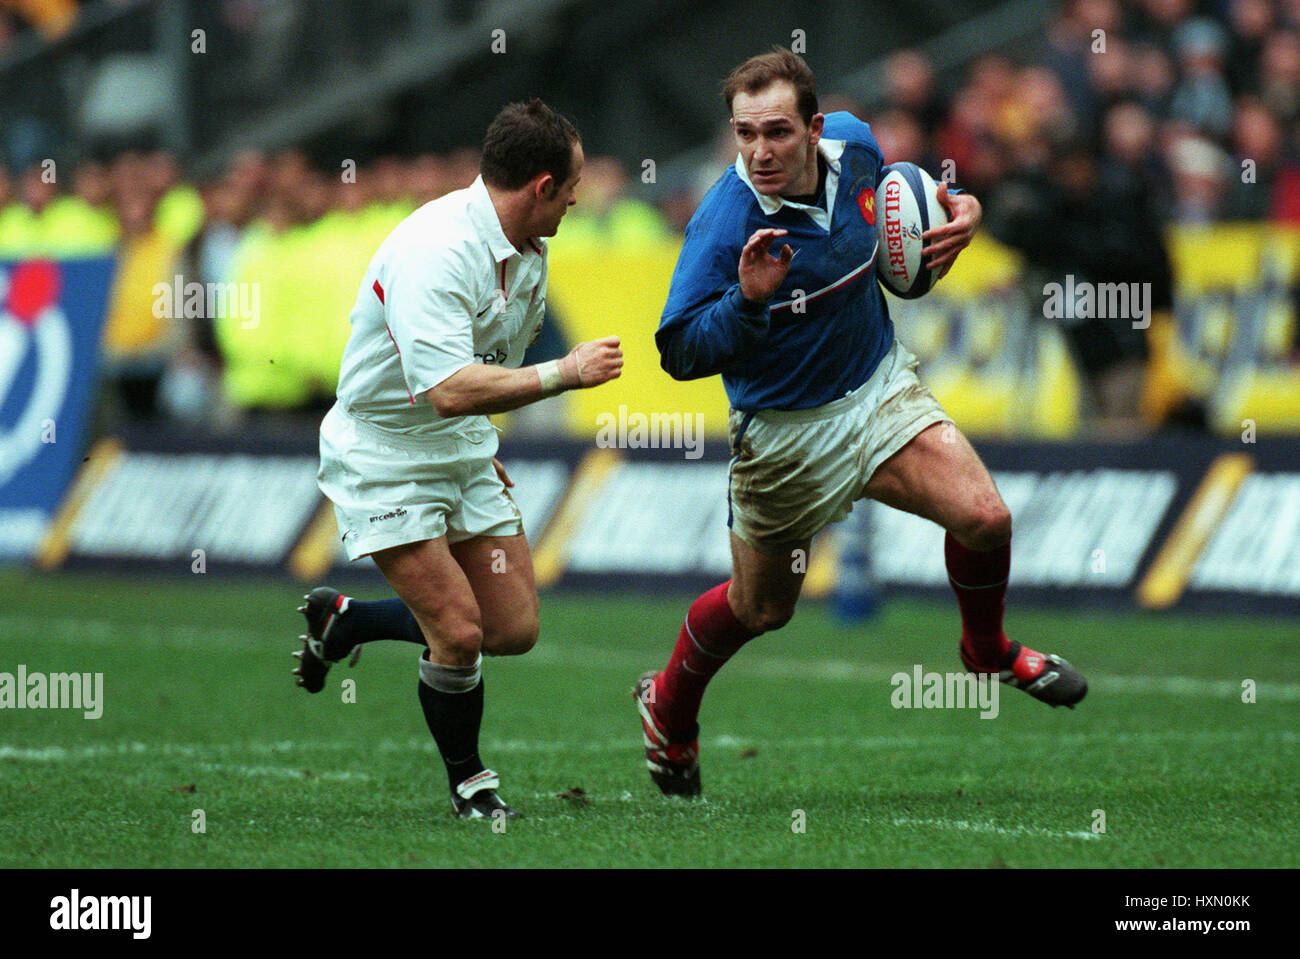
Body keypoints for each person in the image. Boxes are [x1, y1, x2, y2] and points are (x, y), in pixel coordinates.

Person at [635, 48, 1087, 798]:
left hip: (876, 389)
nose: (759, 151)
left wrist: (959, 209)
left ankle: (987, 652)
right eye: (745, 134)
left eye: (777, 131)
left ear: (815, 127)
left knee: (985, 516)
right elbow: (679, 351)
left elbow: (907, 211)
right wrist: (746, 301)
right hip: (782, 434)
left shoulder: (858, 143)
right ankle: (670, 706)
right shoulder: (724, 223)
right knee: (761, 608)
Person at [293, 99, 623, 820]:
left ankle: (346, 623)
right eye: (570, 186)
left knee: (512, 628)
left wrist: (480, 448)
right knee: (460, 632)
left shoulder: (531, 251)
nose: (576, 198)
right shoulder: (436, 250)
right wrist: (564, 372)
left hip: (459, 446)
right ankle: (470, 782)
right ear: (540, 186)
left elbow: (480, 377)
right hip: (384, 452)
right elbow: (445, 389)